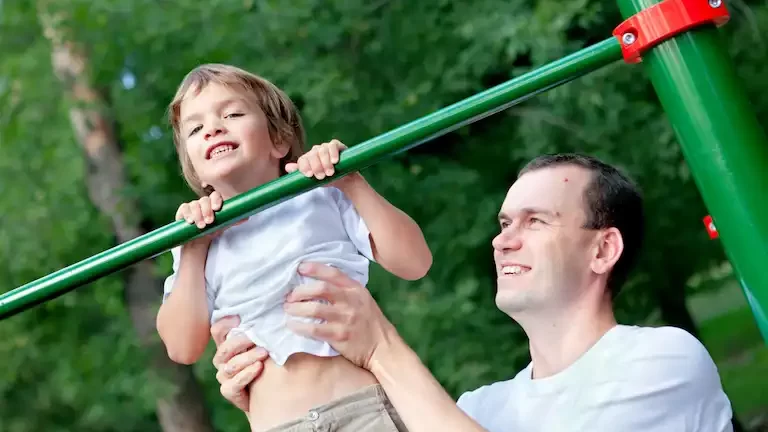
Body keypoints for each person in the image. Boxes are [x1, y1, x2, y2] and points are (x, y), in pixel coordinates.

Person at [211, 153, 735, 431]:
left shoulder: (660, 360)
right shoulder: (480, 408)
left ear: (602, 250)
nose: (503, 240)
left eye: (536, 221)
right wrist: (279, 400)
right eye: (505, 222)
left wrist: (381, 350)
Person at [156, 63, 433, 432]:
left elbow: (414, 262)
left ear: (279, 140)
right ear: (194, 169)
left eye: (233, 113)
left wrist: (352, 182)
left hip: (362, 410)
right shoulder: (197, 241)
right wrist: (192, 251)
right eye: (195, 128)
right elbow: (181, 347)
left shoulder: (322, 196)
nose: (213, 128)